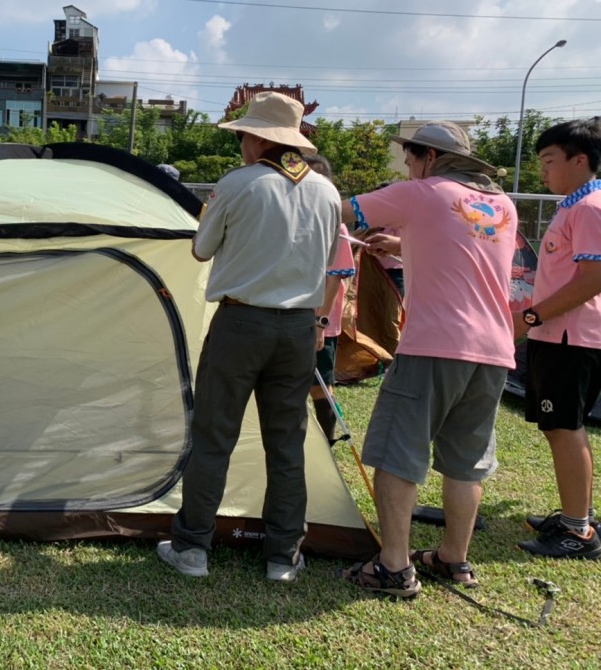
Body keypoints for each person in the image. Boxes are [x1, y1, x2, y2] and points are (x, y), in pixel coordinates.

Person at [156, 92, 341, 582]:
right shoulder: (326, 191)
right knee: (287, 444)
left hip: (241, 324)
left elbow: (201, 249)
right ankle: (284, 555)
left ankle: (192, 547)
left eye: (242, 135)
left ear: (259, 138)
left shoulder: (239, 184)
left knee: (214, 437)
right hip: (300, 326)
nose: (240, 143)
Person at [336, 122, 517, 598]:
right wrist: (403, 245)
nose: (408, 167)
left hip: (434, 343)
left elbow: (337, 211)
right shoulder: (502, 205)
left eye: (410, 159)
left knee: (398, 452)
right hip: (494, 350)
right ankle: (454, 558)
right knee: (466, 461)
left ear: (429, 158)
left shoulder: (421, 191)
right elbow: (463, 251)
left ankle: (394, 567)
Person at [517, 117, 601, 559]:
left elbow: (592, 279)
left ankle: (577, 531)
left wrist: (531, 316)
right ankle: (577, 513)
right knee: (562, 427)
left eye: (550, 161)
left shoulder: (590, 208)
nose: (543, 172)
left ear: (580, 159)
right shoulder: (575, 204)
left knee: (565, 428)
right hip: (561, 335)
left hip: (571, 337)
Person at [304, 155, 356, 442]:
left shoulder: (337, 224)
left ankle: (328, 442)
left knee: (319, 386)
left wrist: (320, 322)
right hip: (294, 315)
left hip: (319, 321)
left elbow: (336, 276)